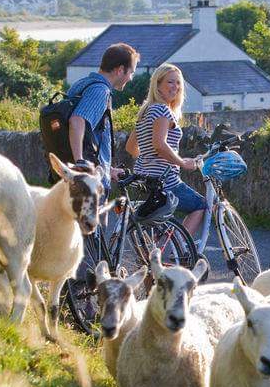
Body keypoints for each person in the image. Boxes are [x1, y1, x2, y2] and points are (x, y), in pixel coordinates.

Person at [127, 63, 206, 240]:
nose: (176, 87)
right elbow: (160, 145)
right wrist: (182, 162)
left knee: (157, 223)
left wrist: (149, 160)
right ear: (157, 85)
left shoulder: (145, 111)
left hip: (145, 178)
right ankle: (181, 251)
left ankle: (155, 255)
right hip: (165, 180)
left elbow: (131, 148)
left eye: (178, 83)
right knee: (200, 205)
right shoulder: (162, 110)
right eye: (170, 82)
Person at [66, 42, 140, 191]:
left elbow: (92, 137)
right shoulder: (100, 91)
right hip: (90, 184)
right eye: (131, 72)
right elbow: (77, 120)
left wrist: (108, 170)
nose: (131, 78)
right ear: (120, 70)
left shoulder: (83, 84)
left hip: (84, 176)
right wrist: (80, 163)